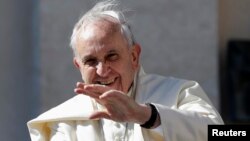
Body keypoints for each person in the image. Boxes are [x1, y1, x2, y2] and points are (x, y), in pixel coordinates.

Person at [27, 0, 224, 140]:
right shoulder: (63, 122)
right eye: (91, 61)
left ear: (134, 56)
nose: (103, 71)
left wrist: (147, 116)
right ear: (79, 66)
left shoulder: (178, 94)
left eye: (112, 56)